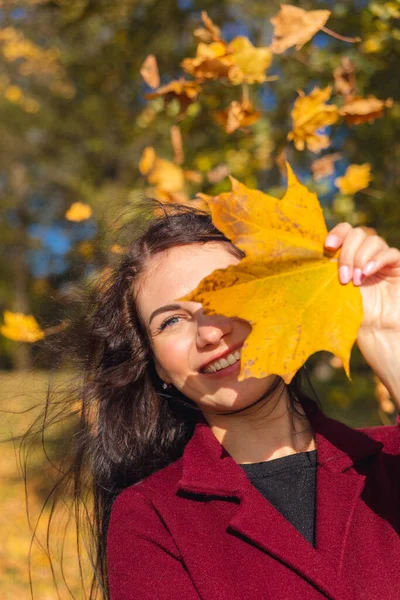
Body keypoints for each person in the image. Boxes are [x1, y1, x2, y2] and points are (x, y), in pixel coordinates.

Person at [32, 203, 400, 599]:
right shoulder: (152, 518)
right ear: (156, 366)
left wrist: (388, 333)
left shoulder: (389, 461)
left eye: (227, 290)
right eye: (171, 320)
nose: (208, 334)